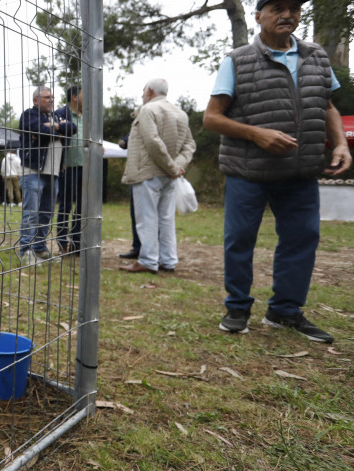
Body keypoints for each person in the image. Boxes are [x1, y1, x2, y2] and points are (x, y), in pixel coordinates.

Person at [203, 0, 350, 343]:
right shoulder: (237, 60)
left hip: (301, 172)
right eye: (277, 8)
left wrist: (340, 143)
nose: (288, 15)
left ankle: (284, 311)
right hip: (248, 170)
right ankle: (237, 308)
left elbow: (327, 105)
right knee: (240, 240)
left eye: (294, 9)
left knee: (302, 240)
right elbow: (212, 117)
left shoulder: (317, 56)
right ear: (258, 16)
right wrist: (257, 134)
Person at [118, 78, 195, 275]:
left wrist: (171, 166)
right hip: (170, 176)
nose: (142, 95)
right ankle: (168, 260)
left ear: (150, 91)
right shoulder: (180, 113)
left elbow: (153, 142)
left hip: (147, 172)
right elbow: (189, 145)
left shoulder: (148, 110)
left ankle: (148, 260)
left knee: (147, 218)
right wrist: (177, 167)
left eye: (143, 91)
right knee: (166, 218)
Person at [16, 86, 76, 263]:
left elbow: (72, 129)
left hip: (54, 172)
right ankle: (26, 251)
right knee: (31, 213)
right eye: (46, 97)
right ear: (36, 100)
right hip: (33, 171)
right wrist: (58, 130)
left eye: (52, 97)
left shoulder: (57, 116)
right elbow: (38, 130)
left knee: (47, 213)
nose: (51, 99)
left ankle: (40, 249)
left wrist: (55, 126)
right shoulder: (28, 115)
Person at [55, 85, 84, 254]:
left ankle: (77, 242)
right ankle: (62, 243)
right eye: (83, 94)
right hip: (67, 168)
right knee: (65, 206)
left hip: (85, 169)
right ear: (74, 97)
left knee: (82, 207)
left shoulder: (88, 117)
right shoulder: (60, 114)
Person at [117, 134, 142, 259]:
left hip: (148, 173)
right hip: (136, 174)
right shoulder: (137, 124)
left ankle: (151, 251)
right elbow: (122, 143)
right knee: (135, 214)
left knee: (149, 216)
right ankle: (137, 247)